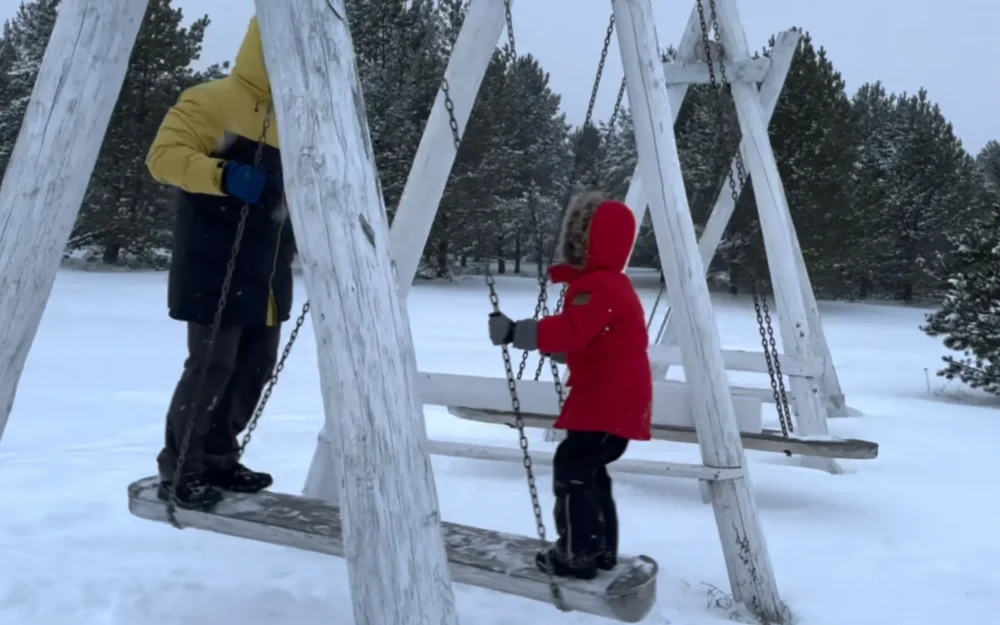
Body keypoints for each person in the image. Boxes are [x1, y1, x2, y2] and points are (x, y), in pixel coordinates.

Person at [145, 16, 295, 511]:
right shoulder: (211, 100)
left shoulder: (299, 115)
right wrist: (223, 173)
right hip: (215, 260)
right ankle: (181, 468)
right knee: (212, 366)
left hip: (269, 267)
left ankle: (218, 457)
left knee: (255, 367)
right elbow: (163, 157)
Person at [488, 191, 653, 579]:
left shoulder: (597, 286)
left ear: (586, 244)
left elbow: (574, 329)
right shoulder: (614, 285)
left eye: (577, 241)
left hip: (605, 400)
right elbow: (598, 339)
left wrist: (516, 332)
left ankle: (577, 554)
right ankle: (600, 550)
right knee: (592, 472)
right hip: (619, 397)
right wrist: (558, 349)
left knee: (573, 471)